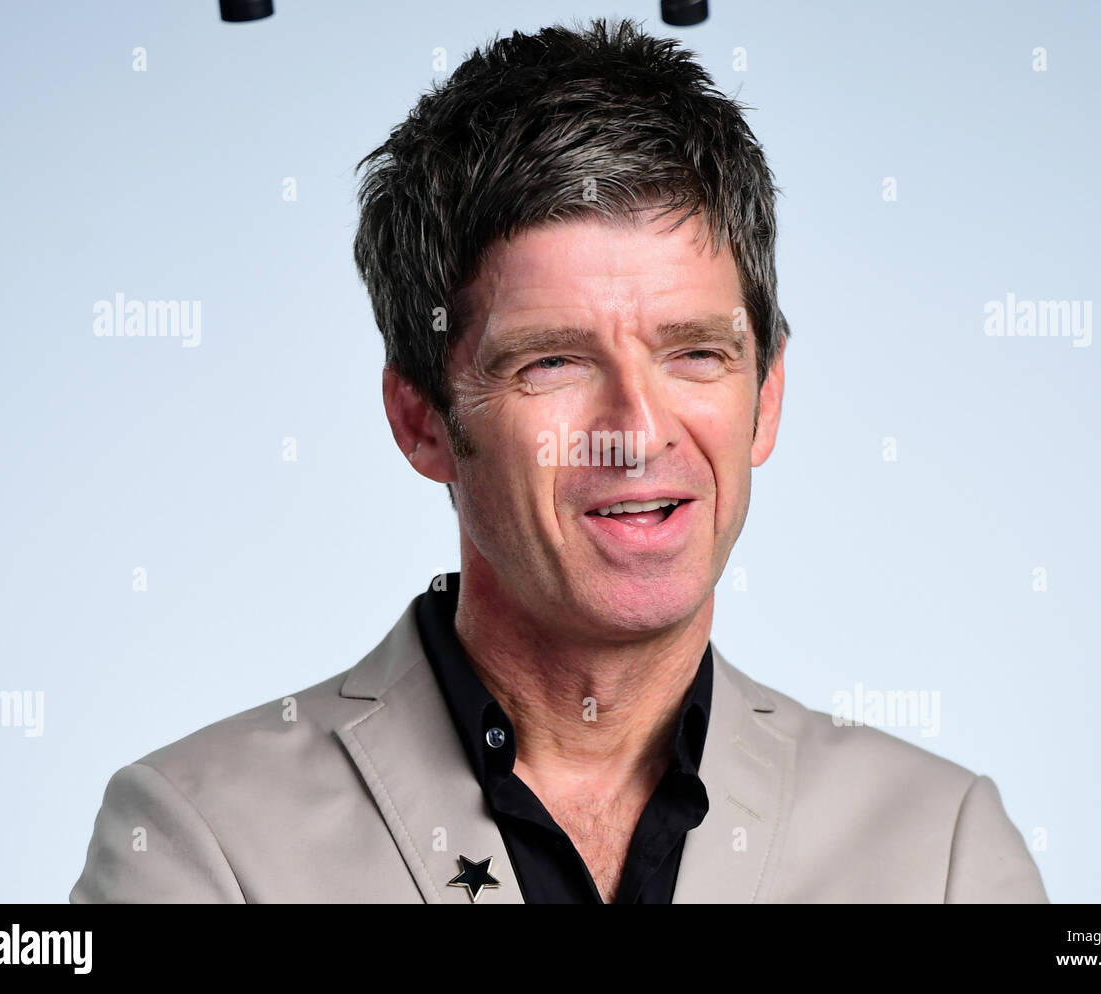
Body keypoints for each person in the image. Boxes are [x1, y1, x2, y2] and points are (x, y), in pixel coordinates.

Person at [70, 17, 1047, 904]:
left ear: (767, 398)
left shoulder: (943, 850)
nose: (637, 428)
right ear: (420, 420)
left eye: (694, 352)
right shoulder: (199, 843)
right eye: (554, 362)